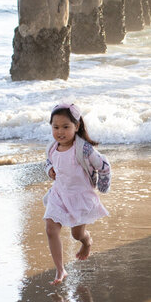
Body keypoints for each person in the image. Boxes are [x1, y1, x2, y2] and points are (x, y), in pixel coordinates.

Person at [43, 102, 111, 285]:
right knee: (51, 229)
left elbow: (104, 166)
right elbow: (48, 162)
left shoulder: (84, 149)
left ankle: (87, 242)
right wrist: (49, 170)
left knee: (76, 234)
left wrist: (103, 186)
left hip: (80, 197)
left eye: (66, 127)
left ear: (77, 126)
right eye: (56, 127)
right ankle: (60, 270)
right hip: (59, 194)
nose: (60, 132)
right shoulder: (52, 147)